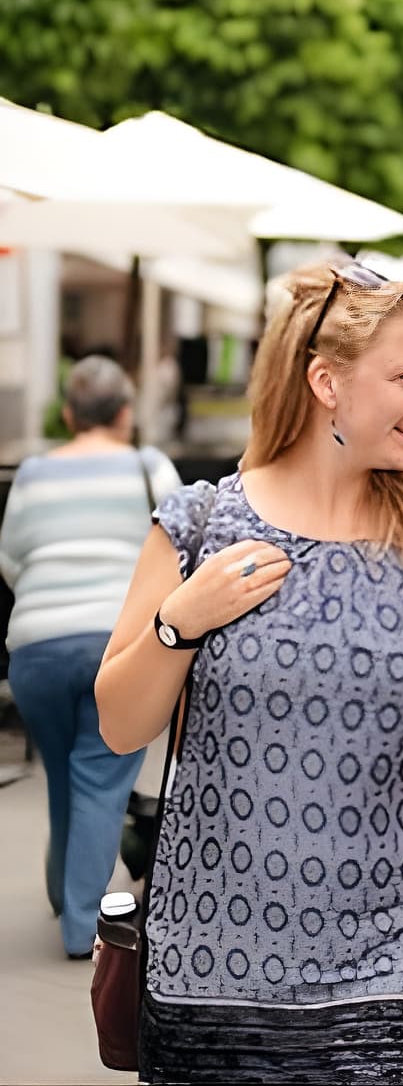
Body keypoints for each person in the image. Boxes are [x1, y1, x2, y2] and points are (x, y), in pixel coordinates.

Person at [95, 262, 403, 1084]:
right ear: (325, 381)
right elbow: (119, 724)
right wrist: (181, 622)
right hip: (211, 962)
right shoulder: (202, 523)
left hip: (390, 961)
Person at [0, 357, 181, 958]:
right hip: (116, 640)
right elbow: (184, 544)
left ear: (71, 414)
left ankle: (64, 893)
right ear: (126, 413)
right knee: (100, 780)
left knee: (66, 774)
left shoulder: (32, 472)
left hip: (36, 647)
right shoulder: (146, 466)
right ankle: (85, 930)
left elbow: (11, 559)